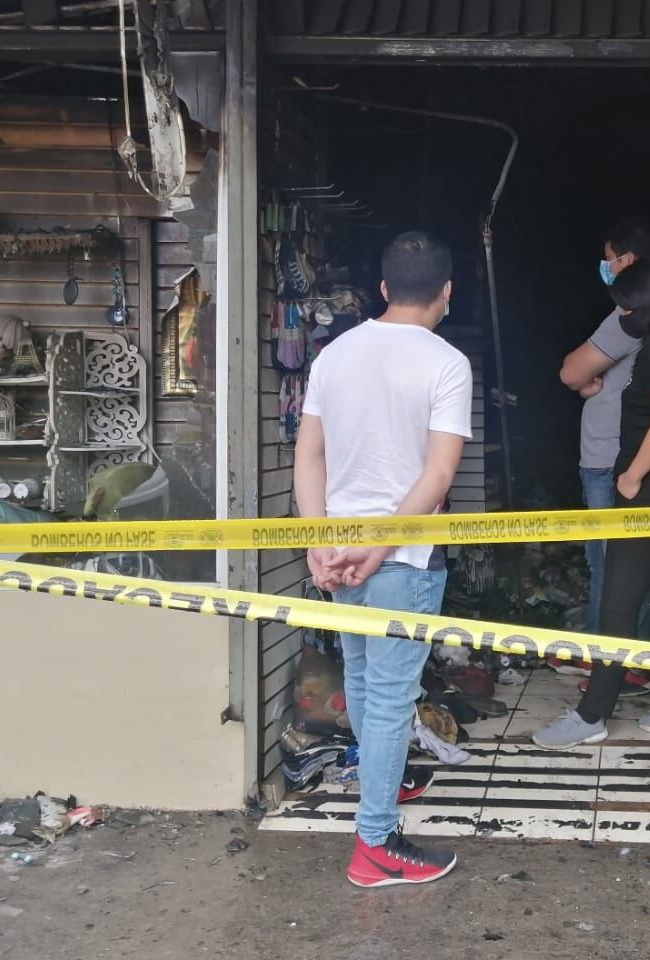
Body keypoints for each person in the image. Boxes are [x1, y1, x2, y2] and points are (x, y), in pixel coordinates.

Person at [293, 231, 472, 888]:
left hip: (342, 555)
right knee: (393, 698)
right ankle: (374, 846)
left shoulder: (333, 354)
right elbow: (440, 473)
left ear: (384, 289)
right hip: (402, 559)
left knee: (369, 688)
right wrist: (383, 547)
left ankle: (377, 806)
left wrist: (320, 540)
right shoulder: (447, 362)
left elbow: (308, 456)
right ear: (446, 294)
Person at [534, 258, 650, 749]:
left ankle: (592, 716)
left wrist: (635, 475)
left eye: (625, 309)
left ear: (642, 307)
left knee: (618, 605)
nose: (622, 318)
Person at [558, 217, 650, 641]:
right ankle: (630, 658)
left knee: (609, 564)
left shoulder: (627, 319)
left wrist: (583, 383)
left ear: (627, 261)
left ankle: (611, 664)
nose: (605, 268)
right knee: (626, 561)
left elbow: (569, 371)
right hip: (626, 456)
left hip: (608, 459)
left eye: (608, 260)